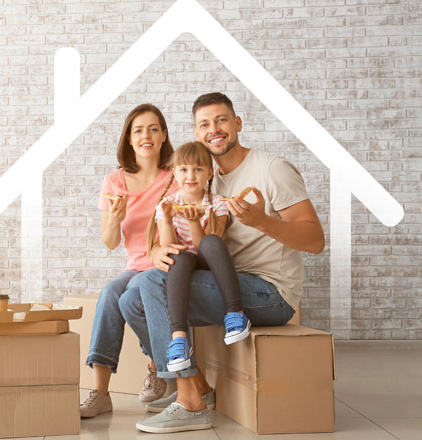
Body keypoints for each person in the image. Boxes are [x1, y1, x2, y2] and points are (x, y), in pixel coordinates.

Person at [122, 92, 325, 433]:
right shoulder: (205, 176)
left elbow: (315, 241)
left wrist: (263, 221)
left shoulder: (271, 169)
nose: (214, 129)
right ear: (196, 134)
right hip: (227, 279)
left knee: (150, 284)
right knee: (130, 299)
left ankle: (189, 403)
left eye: (221, 120)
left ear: (237, 124)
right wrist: (158, 250)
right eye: (204, 124)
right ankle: (197, 385)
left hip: (269, 292)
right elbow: (174, 231)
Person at [80, 103, 178, 418]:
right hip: (134, 267)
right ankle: (100, 392)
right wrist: (114, 219)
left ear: (163, 135)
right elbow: (109, 242)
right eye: (138, 130)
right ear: (129, 139)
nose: (145, 135)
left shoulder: (176, 177)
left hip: (165, 267)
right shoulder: (114, 182)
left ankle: (156, 366)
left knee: (134, 293)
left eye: (152, 128)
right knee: (111, 293)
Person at [147, 141, 249, 374]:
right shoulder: (166, 205)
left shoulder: (217, 204)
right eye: (183, 170)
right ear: (174, 173)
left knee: (212, 241)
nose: (190, 176)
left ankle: (235, 313)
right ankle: (179, 338)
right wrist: (167, 219)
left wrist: (194, 222)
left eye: (198, 169)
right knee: (178, 257)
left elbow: (210, 244)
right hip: (184, 264)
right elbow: (167, 246)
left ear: (209, 173)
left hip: (209, 259)